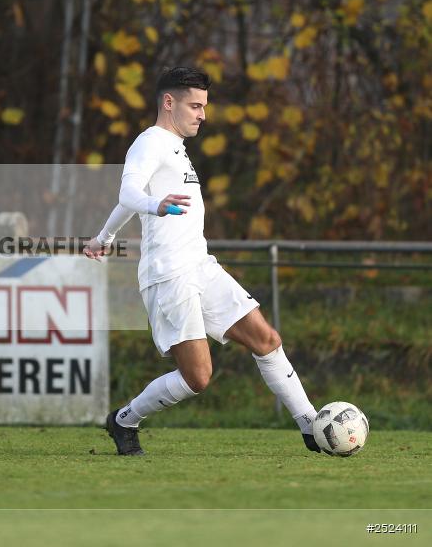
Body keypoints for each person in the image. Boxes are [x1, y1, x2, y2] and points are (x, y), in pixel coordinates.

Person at [84, 67, 320, 456]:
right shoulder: (151, 142)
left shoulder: (175, 147)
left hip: (200, 265)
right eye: (195, 105)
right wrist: (153, 205)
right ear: (168, 102)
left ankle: (312, 427)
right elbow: (129, 191)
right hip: (169, 274)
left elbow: (130, 201)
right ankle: (124, 419)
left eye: (204, 106)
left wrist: (104, 237)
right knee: (198, 377)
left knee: (267, 339)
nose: (203, 115)